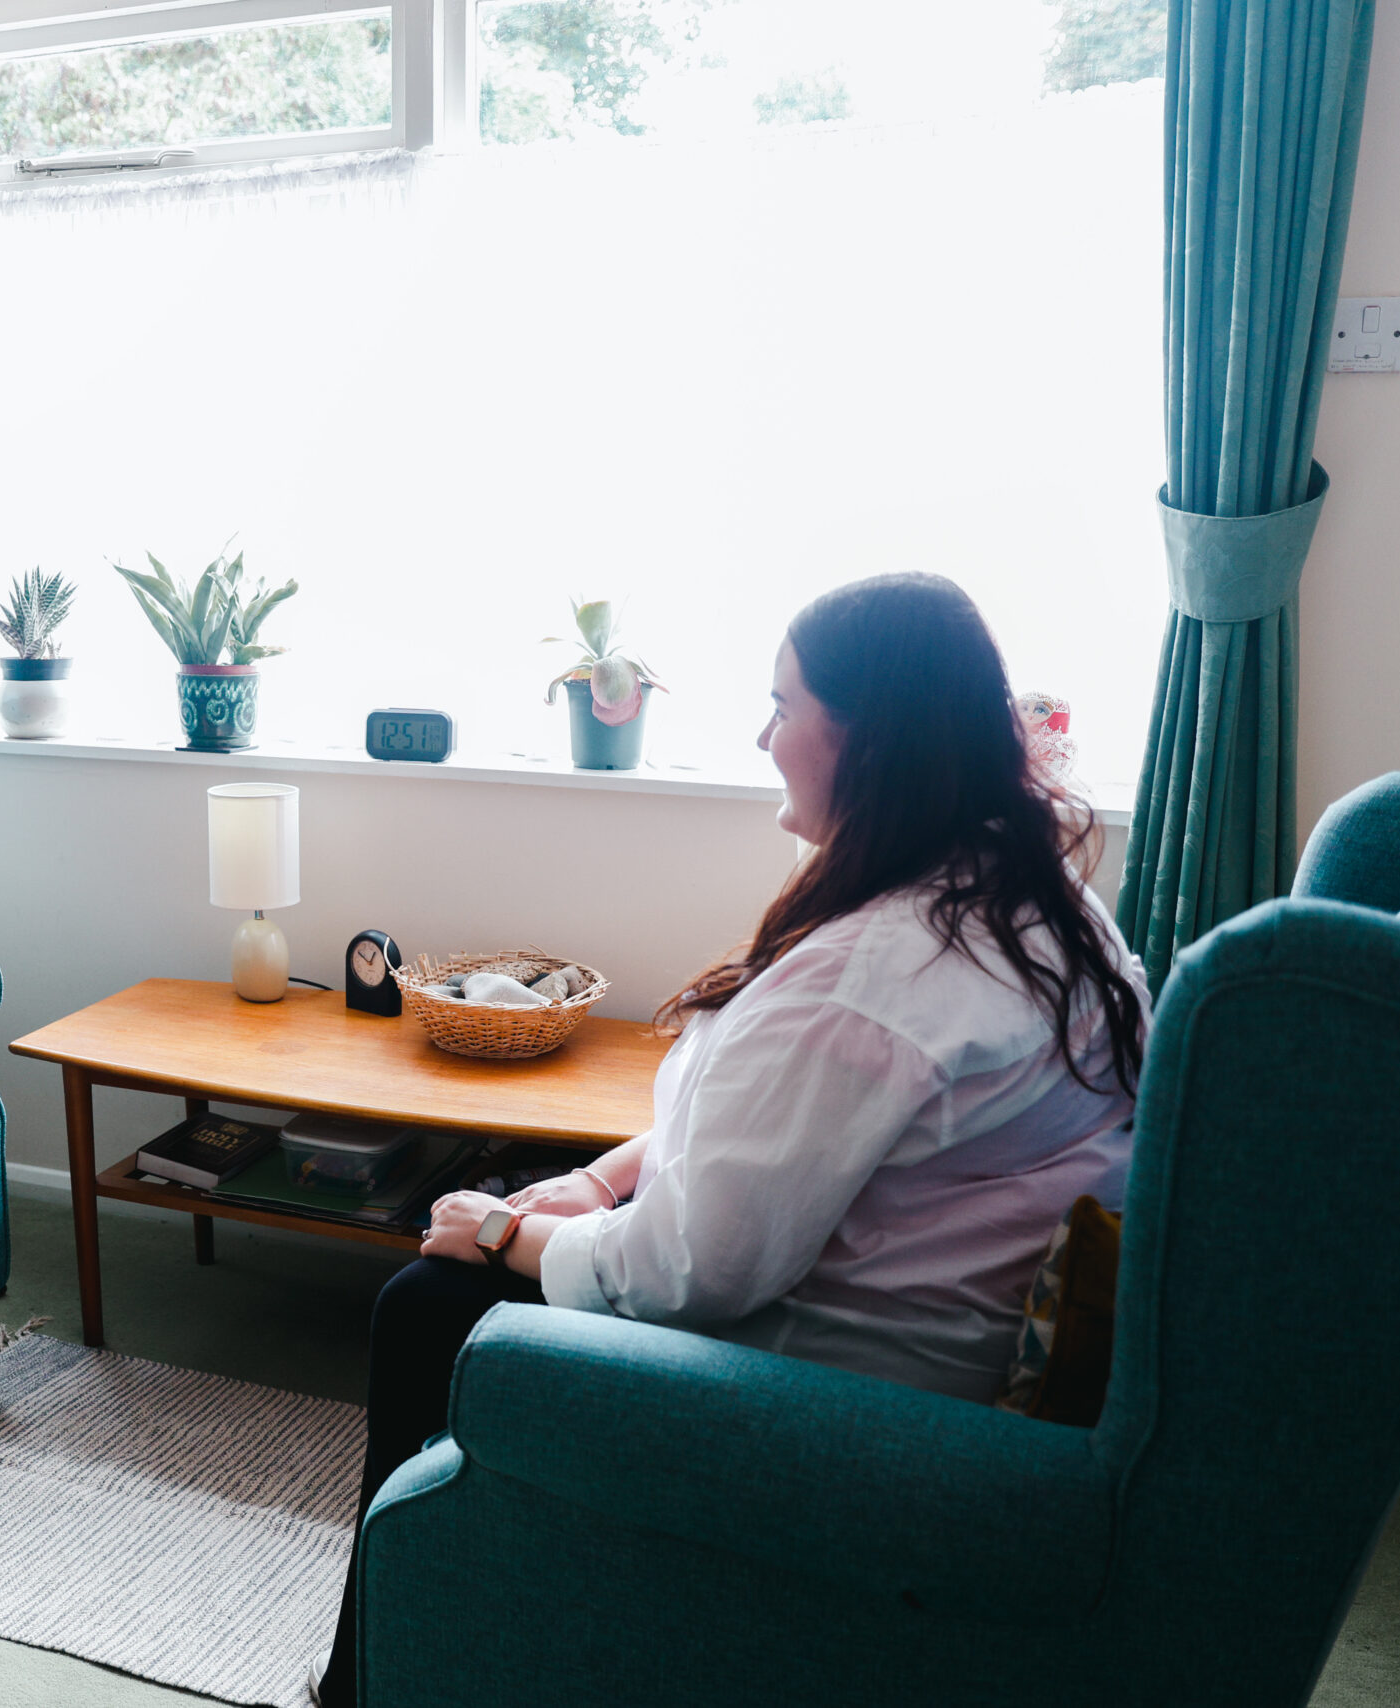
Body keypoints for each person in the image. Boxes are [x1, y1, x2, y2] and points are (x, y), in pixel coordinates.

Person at [312, 573, 1150, 1705]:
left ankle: (373, 1682)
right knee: (489, 1245)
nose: (762, 736)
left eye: (782, 704)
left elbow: (685, 1275)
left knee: (427, 1301)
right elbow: (760, 1133)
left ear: (870, 737)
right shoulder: (1024, 894)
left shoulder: (875, 980)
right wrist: (593, 1180)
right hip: (906, 1332)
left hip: (847, 1403)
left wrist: (505, 1225)